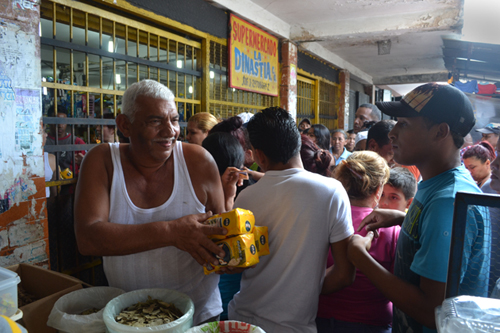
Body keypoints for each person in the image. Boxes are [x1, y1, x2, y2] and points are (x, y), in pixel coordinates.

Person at [74, 79, 231, 325]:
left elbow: (223, 233)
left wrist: (229, 257)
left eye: (174, 120)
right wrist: (171, 232)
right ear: (124, 124)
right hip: (130, 320)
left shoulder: (198, 162)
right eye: (155, 121)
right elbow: (88, 239)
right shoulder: (102, 161)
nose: (170, 131)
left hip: (199, 317)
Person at [349, 83, 491, 333]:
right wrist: (402, 218)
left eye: (403, 124)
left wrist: (361, 258)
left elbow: (431, 310)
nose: (392, 134)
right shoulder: (438, 182)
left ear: (440, 132)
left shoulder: (447, 201)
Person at [226, 107, 355, 333]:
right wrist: (304, 288)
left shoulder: (246, 197)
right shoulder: (331, 191)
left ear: (259, 156)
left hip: (242, 320)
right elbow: (344, 274)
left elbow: (239, 263)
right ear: (299, 141)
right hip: (294, 327)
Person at [317, 151, 397, 333]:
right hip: (372, 324)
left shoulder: (322, 218)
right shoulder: (391, 230)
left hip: (319, 320)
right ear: (378, 190)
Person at [202, 132, 245, 321]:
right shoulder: (235, 206)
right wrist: (229, 196)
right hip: (230, 306)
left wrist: (228, 196)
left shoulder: (200, 204)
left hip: (213, 306)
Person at [45, 105, 86, 175]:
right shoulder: (42, 142)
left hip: (71, 184)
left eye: (63, 121)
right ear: (48, 121)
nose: (60, 125)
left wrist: (84, 162)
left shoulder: (77, 142)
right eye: (57, 121)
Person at [41, 119, 56, 197]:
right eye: (44, 131)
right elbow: (55, 190)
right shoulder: (50, 159)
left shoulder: (50, 158)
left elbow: (55, 188)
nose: (46, 135)